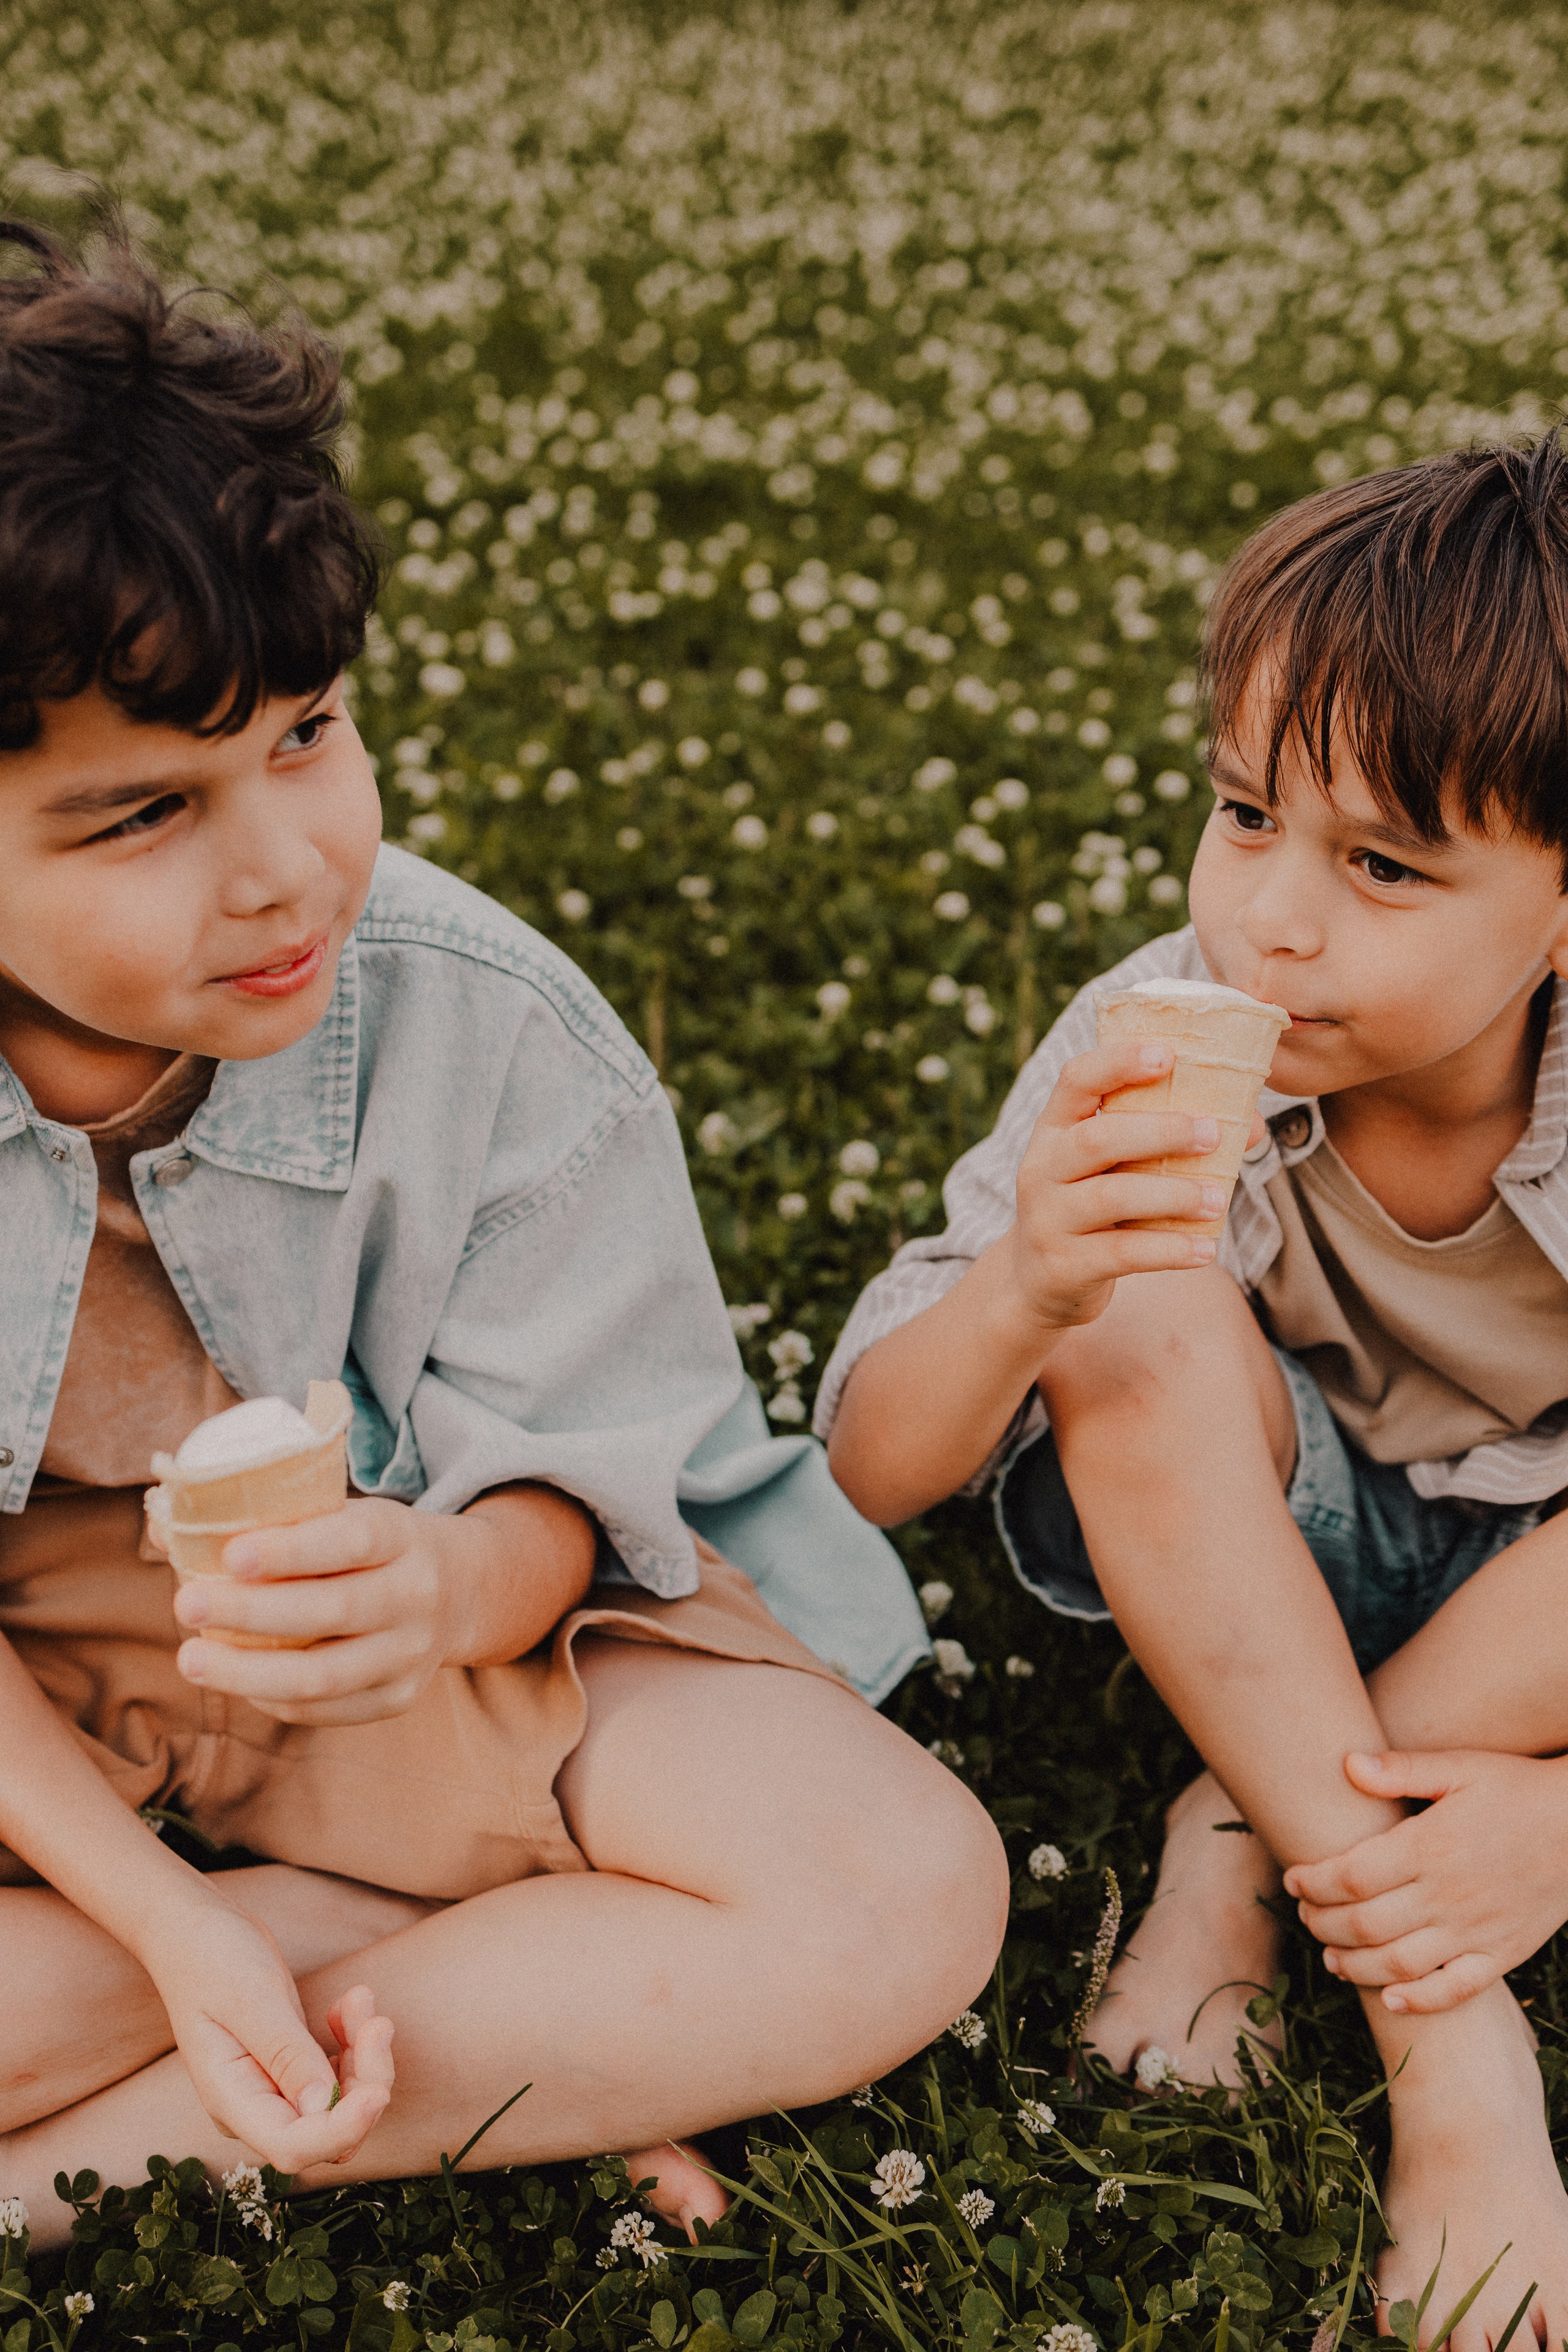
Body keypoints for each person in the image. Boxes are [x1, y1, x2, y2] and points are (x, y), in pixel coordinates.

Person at [0, 217, 1008, 2251]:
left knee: (903, 1889)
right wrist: (171, 1916)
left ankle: (81, 2180)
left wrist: (446, 1586)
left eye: (310, 736)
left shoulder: (485, 1021)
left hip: (432, 1637)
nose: (287, 869)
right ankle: (465, 1971)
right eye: (145, 814)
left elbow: (588, 1477)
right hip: (47, 1706)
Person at [823, 432, 1568, 2341]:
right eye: (1246, 816)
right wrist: (1026, 1287)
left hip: (1536, 1611)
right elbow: (872, 1469)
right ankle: (1448, 2045)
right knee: (1131, 1306)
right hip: (1256, 1541)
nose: (1272, 922)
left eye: (1386, 866)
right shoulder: (1150, 1043)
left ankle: (1240, 1824)